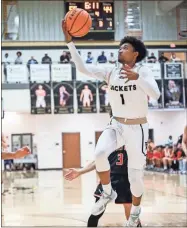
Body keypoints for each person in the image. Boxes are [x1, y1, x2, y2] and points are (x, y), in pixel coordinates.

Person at [63, 21, 160, 226]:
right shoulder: (111, 71)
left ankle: (134, 214)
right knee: (99, 153)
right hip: (116, 124)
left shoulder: (144, 71)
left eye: (125, 47)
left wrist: (138, 79)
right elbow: (82, 67)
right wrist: (70, 42)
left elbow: (156, 94)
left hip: (137, 128)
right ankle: (107, 192)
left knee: (135, 178)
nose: (120, 49)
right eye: (120, 46)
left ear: (135, 54)